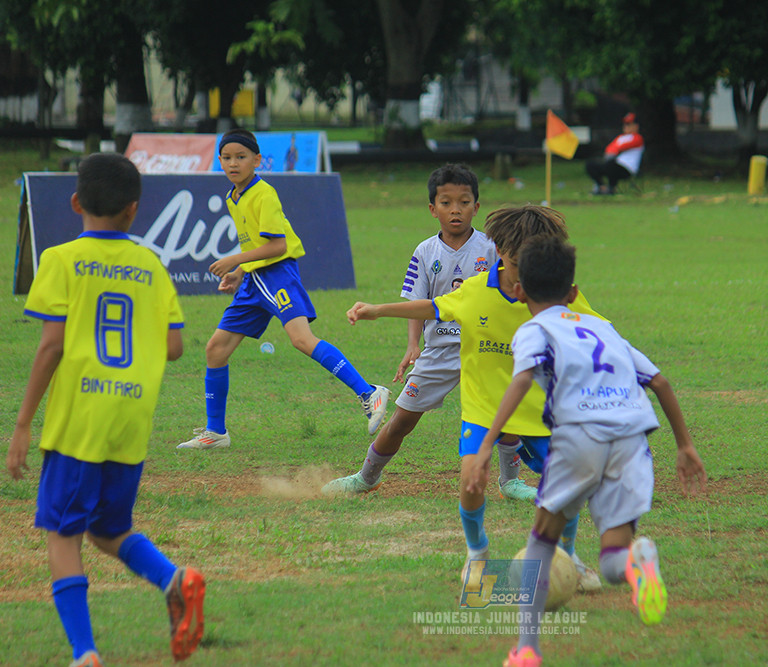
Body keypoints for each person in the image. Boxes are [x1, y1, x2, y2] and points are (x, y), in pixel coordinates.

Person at [466, 235, 707, 667]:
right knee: (614, 560)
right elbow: (661, 382)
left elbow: (520, 381)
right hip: (633, 439)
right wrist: (686, 446)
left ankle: (527, 650)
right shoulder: (603, 328)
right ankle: (638, 560)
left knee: (541, 540)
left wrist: (487, 445)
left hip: (580, 435)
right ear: (574, 293)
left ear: (519, 291)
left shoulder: (533, 330)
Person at [6, 153, 205, 666]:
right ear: (133, 211)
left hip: (78, 420)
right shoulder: (152, 266)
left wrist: (24, 423)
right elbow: (175, 346)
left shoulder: (60, 260)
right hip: (130, 420)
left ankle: (85, 652)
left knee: (63, 532)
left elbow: (51, 346)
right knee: (107, 528)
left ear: (76, 202)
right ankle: (174, 578)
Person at [343, 206, 603, 588]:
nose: (523, 277)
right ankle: (477, 556)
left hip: (540, 409)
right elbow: (433, 307)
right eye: (516, 265)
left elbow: (598, 330)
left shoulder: (555, 293)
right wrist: (378, 311)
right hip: (483, 407)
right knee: (470, 480)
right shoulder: (476, 292)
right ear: (498, 251)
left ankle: (570, 558)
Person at [322, 164, 537, 502]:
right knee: (401, 422)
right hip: (439, 350)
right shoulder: (425, 252)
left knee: (503, 415)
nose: (456, 210)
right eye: (447, 202)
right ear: (432, 209)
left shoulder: (492, 248)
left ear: (476, 208)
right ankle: (366, 477)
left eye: (464, 202)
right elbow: (421, 304)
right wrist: (413, 344)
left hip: (485, 348)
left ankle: (510, 481)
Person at [177, 128, 389, 450]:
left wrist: (235, 259)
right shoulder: (233, 197)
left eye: (241, 157)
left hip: (276, 275)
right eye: (227, 158)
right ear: (219, 161)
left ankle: (370, 392)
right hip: (254, 279)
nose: (233, 164)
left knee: (302, 340)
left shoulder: (264, 194)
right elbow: (256, 243)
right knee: (215, 350)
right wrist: (239, 272)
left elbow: (277, 246)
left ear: (257, 160)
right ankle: (216, 432)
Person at [585, 112, 644, 195]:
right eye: (625, 124)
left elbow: (620, 147)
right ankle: (601, 186)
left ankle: (611, 188)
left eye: (628, 124)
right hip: (613, 163)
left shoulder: (637, 138)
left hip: (627, 168)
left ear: (636, 126)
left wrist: (614, 150)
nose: (625, 127)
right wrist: (613, 150)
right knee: (591, 165)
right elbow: (609, 148)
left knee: (611, 164)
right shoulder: (620, 137)